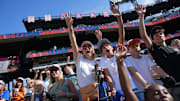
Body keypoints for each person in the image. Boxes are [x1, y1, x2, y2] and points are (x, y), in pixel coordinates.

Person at [135, 4, 179, 100]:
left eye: (161, 33)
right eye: (156, 34)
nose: (159, 34)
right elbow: (143, 35)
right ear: (153, 40)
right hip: (175, 85)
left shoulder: (173, 48)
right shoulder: (155, 49)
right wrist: (141, 16)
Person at [65, 11, 100, 101]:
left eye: (89, 46)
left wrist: (100, 39)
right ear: (82, 52)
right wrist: (70, 28)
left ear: (93, 49)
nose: (87, 48)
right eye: (84, 47)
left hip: (97, 91)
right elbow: (73, 42)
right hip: (84, 94)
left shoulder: (96, 62)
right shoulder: (79, 59)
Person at [96, 4, 127, 101]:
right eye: (103, 47)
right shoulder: (103, 61)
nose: (105, 47)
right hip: (119, 91)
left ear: (112, 47)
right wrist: (112, 88)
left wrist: (119, 18)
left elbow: (121, 35)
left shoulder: (119, 52)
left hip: (132, 86)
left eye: (107, 45)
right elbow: (108, 76)